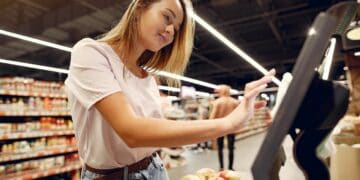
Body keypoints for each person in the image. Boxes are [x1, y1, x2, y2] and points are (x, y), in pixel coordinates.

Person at [64, 0, 276, 179]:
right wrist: (228, 122)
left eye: (176, 27)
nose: (171, 30)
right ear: (140, 7)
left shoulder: (148, 77)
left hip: (155, 167)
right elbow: (131, 132)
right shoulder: (91, 53)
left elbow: (154, 132)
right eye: (167, 17)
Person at [210, 85, 238, 171]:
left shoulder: (217, 102)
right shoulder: (235, 102)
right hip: (231, 128)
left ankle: (221, 167)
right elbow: (238, 116)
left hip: (220, 128)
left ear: (221, 91)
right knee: (231, 148)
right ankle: (230, 167)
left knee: (220, 148)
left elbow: (212, 117)